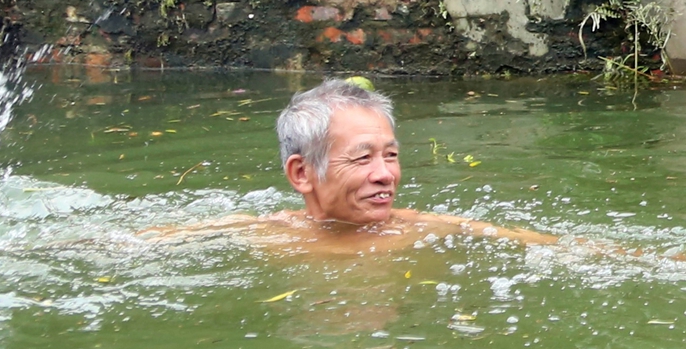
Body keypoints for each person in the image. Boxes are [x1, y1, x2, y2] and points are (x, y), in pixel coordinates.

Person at [159, 77, 555, 252]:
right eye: (363, 157)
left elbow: (549, 246)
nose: (384, 174)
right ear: (302, 173)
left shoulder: (429, 231)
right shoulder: (260, 239)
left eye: (391, 155)